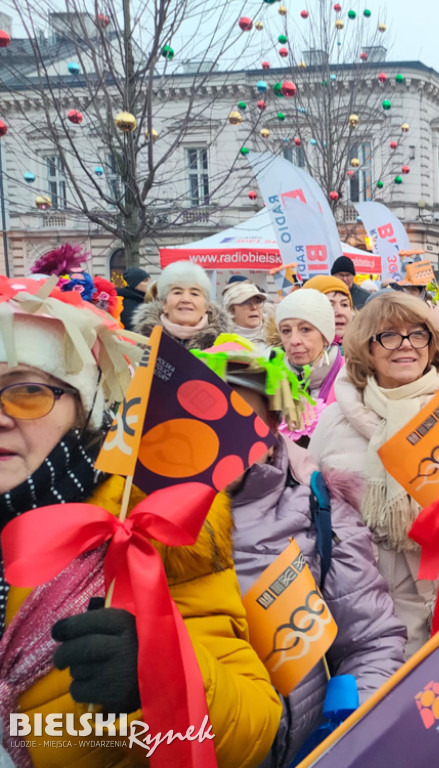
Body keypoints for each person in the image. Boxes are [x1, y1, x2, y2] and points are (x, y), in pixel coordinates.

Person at [0, 277, 281, 767]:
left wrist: (163, 673)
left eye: (26, 390)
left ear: (81, 406)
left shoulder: (153, 520)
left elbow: (255, 729)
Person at [198, 342, 406, 767]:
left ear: (273, 419)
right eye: (202, 408)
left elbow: (370, 641)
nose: (218, 427)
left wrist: (343, 743)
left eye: (238, 408)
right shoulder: (132, 516)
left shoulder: (315, 503)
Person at [309, 292, 439, 689]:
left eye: (417, 334)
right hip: (371, 628)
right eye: (389, 335)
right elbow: (313, 515)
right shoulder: (334, 420)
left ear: (431, 344)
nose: (405, 344)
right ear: (367, 348)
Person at [133, 261, 229, 349]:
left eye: (194, 293)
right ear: (164, 304)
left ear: (205, 307)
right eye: (177, 292)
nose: (186, 299)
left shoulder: (225, 346)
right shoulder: (142, 344)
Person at [274, 288, 344, 404]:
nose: (294, 340)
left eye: (305, 329)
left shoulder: (354, 378)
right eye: (286, 331)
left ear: (325, 336)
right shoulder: (270, 383)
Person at [304, 275, 356, 352]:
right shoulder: (291, 358)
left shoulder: (366, 354)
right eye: (330, 305)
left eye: (344, 304)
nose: (340, 312)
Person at [222, 280, 273, 354]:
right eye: (245, 302)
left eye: (257, 301)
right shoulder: (217, 342)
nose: (254, 307)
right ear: (230, 310)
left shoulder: (280, 337)